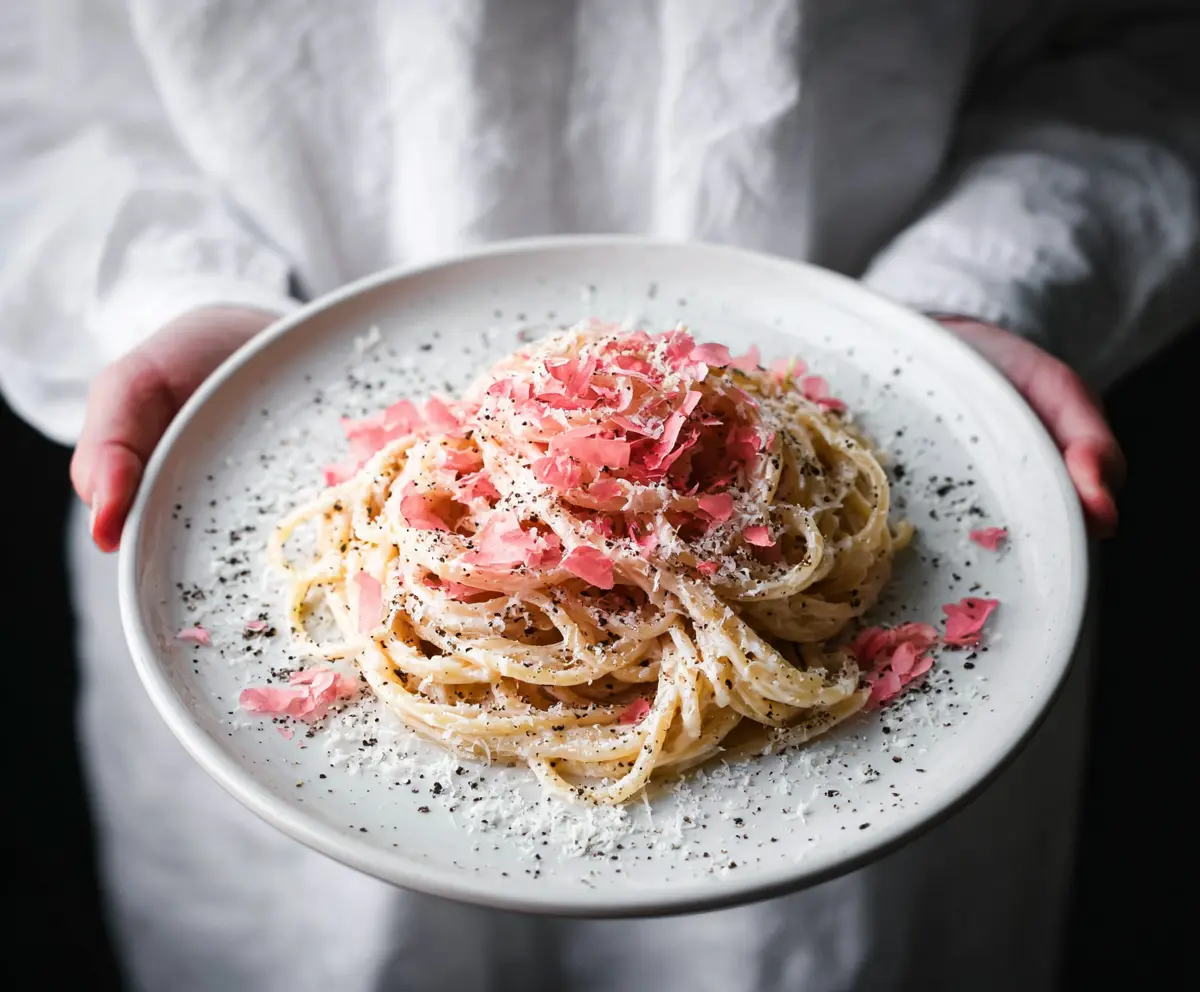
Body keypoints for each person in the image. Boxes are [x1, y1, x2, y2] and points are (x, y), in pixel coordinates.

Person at [1, 2, 1196, 990]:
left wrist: (990, 283)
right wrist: (154, 290)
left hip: (863, 795)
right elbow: (37, 81)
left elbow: (1152, 49)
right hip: (266, 555)